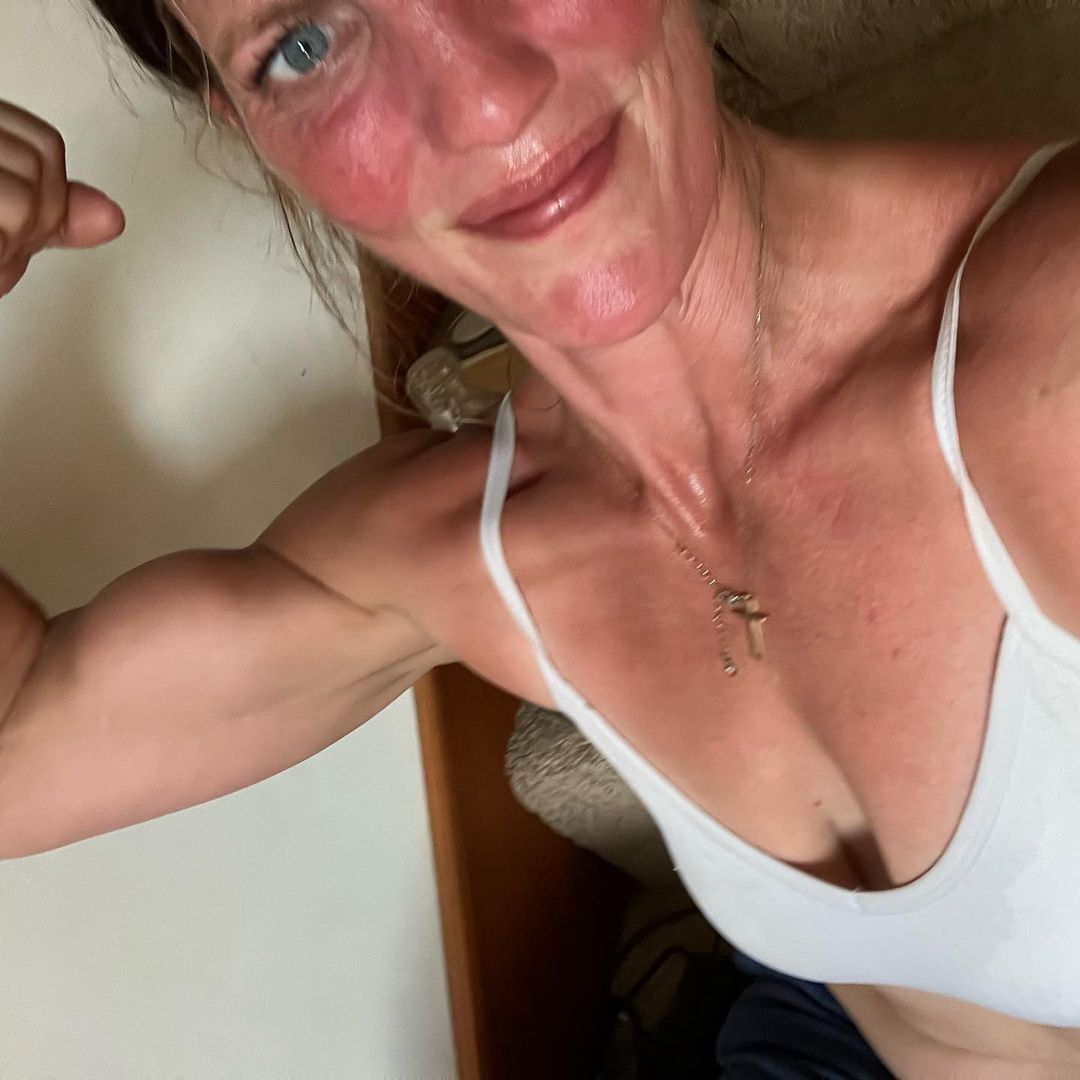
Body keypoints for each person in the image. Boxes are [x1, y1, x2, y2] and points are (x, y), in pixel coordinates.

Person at [2, 1, 1080, 1075]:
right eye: (305, 45)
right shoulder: (470, 550)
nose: (486, 101)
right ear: (252, 131)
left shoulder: (1051, 343)